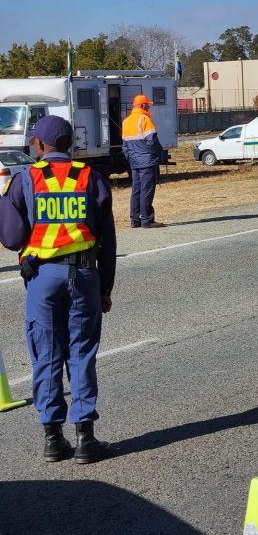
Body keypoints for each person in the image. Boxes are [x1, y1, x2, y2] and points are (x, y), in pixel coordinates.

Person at [0, 116, 116, 464]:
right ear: (70, 144)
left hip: (42, 277)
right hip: (84, 275)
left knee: (46, 355)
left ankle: (53, 438)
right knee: (81, 353)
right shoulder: (90, 177)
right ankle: (85, 438)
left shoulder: (26, 179)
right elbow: (107, 240)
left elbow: (11, 238)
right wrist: (105, 288)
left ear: (38, 145)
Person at [122, 94, 165, 228]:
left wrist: (131, 158)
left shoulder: (126, 121)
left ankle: (135, 220)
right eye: (147, 105)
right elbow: (152, 141)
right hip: (147, 161)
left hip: (134, 162)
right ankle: (147, 219)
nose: (148, 108)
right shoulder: (144, 119)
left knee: (136, 190)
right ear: (142, 106)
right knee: (147, 190)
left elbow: (125, 146)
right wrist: (159, 154)